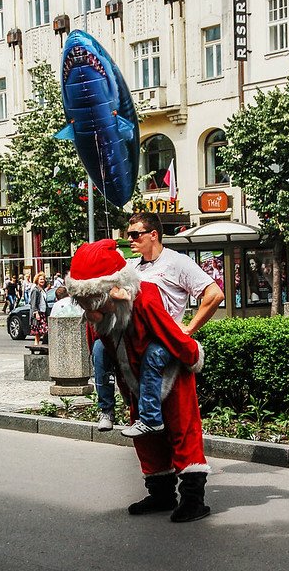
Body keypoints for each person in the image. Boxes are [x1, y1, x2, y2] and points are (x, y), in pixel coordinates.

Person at [67, 239, 210, 523]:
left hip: (170, 373)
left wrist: (193, 356)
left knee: (183, 431)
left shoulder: (146, 298)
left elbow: (170, 333)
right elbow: (98, 346)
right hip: (134, 380)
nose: (89, 312)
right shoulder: (98, 316)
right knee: (146, 438)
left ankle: (193, 499)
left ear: (114, 291)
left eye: (93, 304)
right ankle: (161, 495)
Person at [93, 212, 223, 433]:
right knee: (99, 348)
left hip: (160, 334)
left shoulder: (177, 262)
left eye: (135, 234)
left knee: (153, 355)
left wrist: (189, 327)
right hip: (131, 334)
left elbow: (215, 294)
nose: (130, 240)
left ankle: (150, 419)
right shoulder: (131, 266)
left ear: (153, 234)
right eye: (128, 235)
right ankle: (106, 409)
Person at [29, 272, 48, 345]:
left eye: (43, 279)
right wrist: (36, 313)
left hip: (43, 312)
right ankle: (36, 344)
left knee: (41, 331)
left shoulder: (42, 290)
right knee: (40, 330)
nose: (42, 281)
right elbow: (33, 303)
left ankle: (37, 344)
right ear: (37, 280)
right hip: (38, 313)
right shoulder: (35, 290)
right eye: (40, 279)